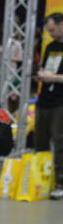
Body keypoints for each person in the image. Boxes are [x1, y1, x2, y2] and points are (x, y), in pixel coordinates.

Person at [34, 12, 63, 199]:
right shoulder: (50, 46)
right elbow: (45, 68)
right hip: (44, 99)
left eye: (52, 30)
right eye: (48, 30)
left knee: (59, 141)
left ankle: (60, 182)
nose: (51, 33)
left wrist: (53, 78)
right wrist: (41, 75)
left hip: (60, 102)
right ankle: (41, 179)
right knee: (40, 141)